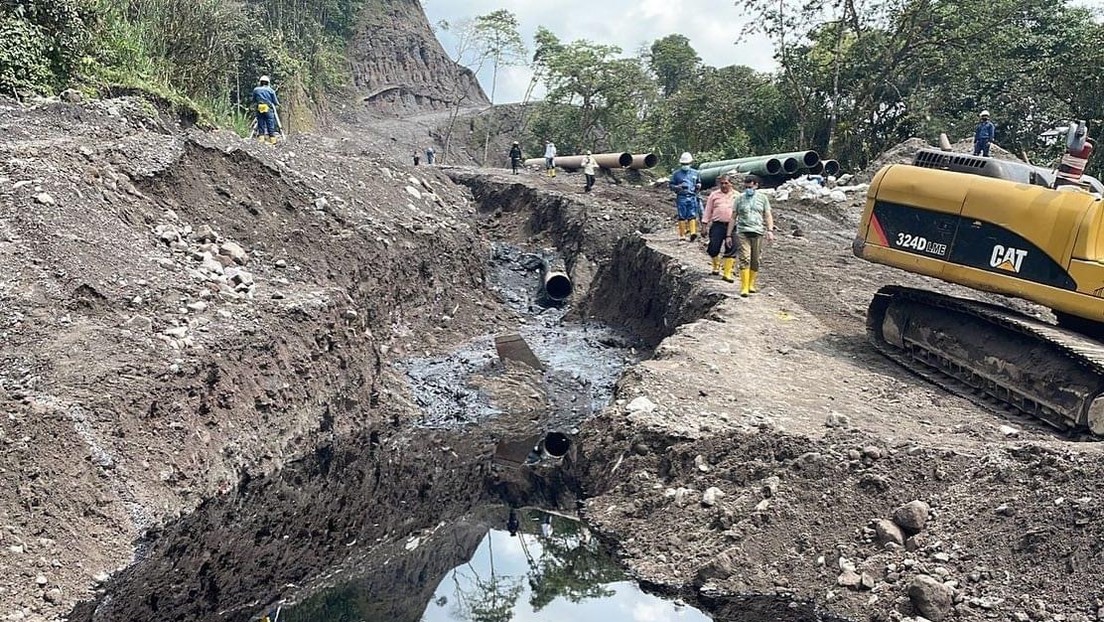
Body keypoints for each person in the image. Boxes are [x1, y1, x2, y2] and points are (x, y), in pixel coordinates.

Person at [726, 174, 775, 296]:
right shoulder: (739, 199)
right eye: (746, 187)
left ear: (756, 186)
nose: (748, 189)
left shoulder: (763, 198)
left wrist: (770, 230)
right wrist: (728, 235)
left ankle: (751, 283)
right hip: (743, 231)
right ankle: (744, 287)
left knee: (755, 259)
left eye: (750, 187)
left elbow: (767, 215)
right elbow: (733, 217)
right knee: (745, 258)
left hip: (757, 231)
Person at [703, 173, 737, 279]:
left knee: (731, 248)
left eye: (726, 183)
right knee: (713, 247)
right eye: (721, 183)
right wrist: (704, 225)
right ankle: (716, 265)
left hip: (733, 226)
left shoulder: (738, 196)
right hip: (718, 225)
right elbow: (708, 210)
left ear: (731, 184)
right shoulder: (714, 195)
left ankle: (727, 273)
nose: (723, 185)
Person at [668, 152, 701, 242]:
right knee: (682, 216)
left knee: (692, 214)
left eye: (687, 164)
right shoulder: (676, 174)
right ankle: (682, 235)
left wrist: (698, 186)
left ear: (690, 163)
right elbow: (671, 185)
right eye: (683, 164)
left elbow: (699, 182)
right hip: (681, 197)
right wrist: (677, 187)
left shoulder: (696, 173)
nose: (685, 165)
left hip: (692, 196)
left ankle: (693, 232)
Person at [252, 75, 280, 145]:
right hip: (268, 108)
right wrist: (278, 104)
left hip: (259, 108)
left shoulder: (256, 90)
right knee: (270, 123)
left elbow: (254, 100)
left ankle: (261, 139)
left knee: (260, 123)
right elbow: (275, 101)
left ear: (260, 82)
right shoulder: (271, 90)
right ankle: (272, 139)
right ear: (268, 83)